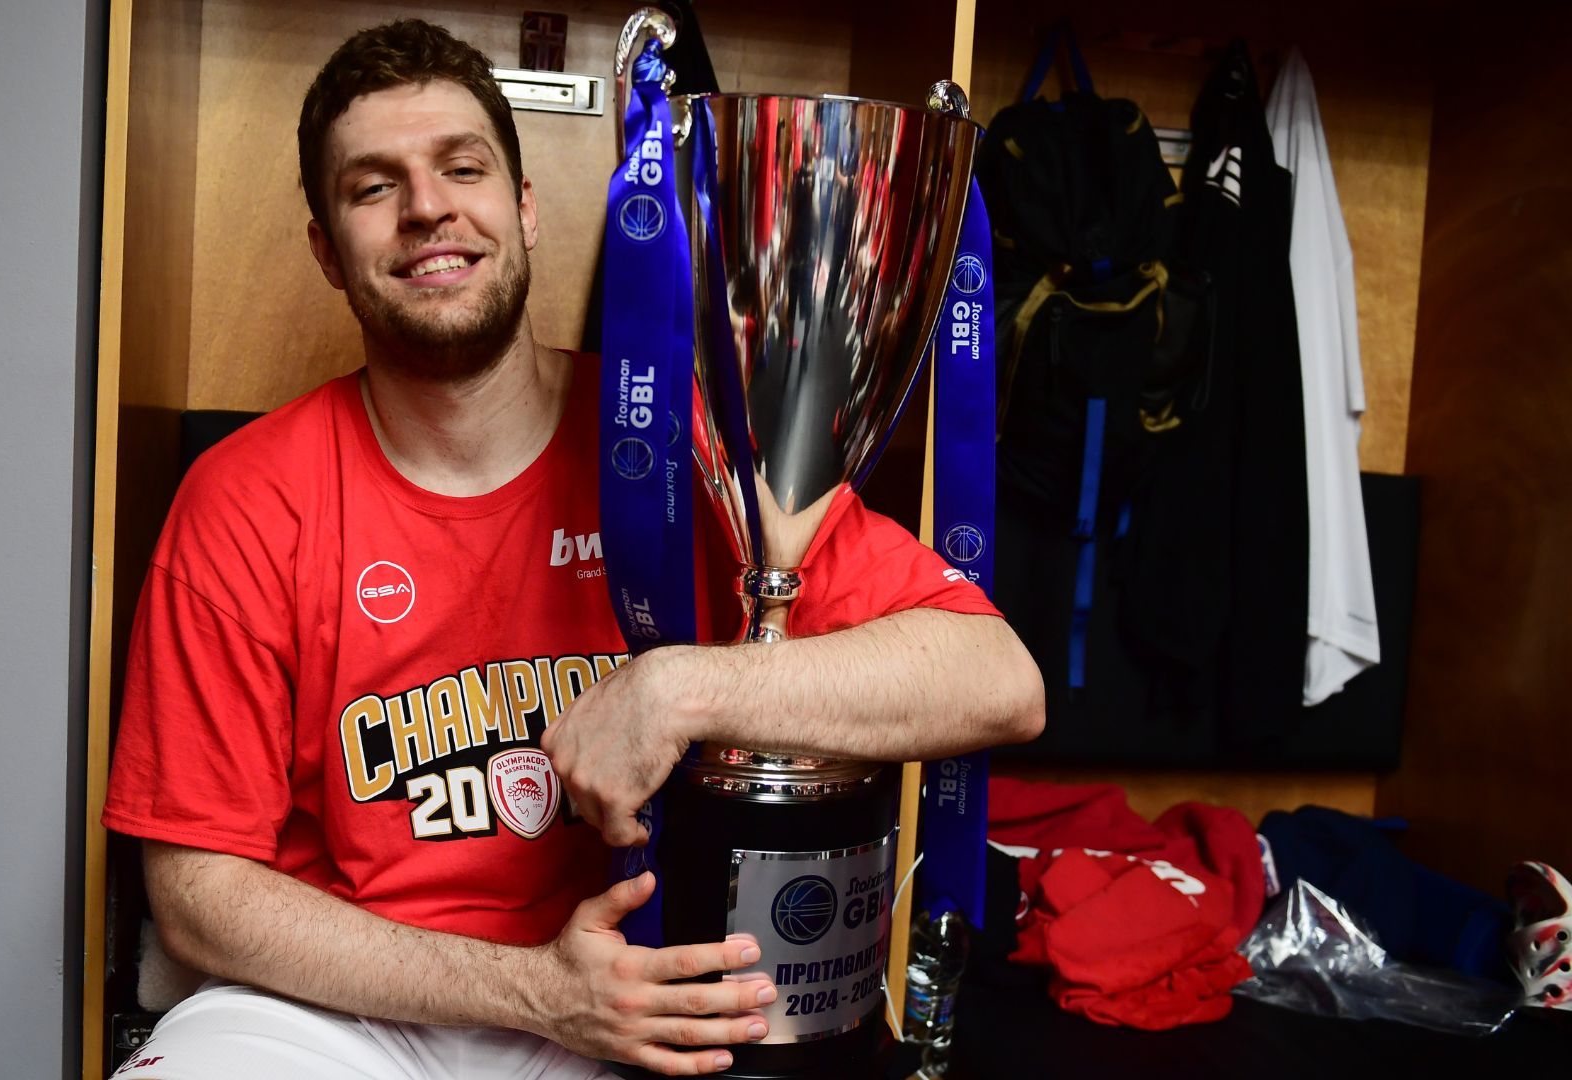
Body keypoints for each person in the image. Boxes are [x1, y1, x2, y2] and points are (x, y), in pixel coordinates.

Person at [103, 19, 1044, 1080]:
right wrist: (534, 993)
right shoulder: (244, 498)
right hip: (339, 1008)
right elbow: (197, 896)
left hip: (631, 998)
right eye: (373, 187)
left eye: (462, 169)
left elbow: (1000, 682)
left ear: (525, 207)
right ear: (327, 249)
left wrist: (679, 688)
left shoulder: (682, 450)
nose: (427, 208)